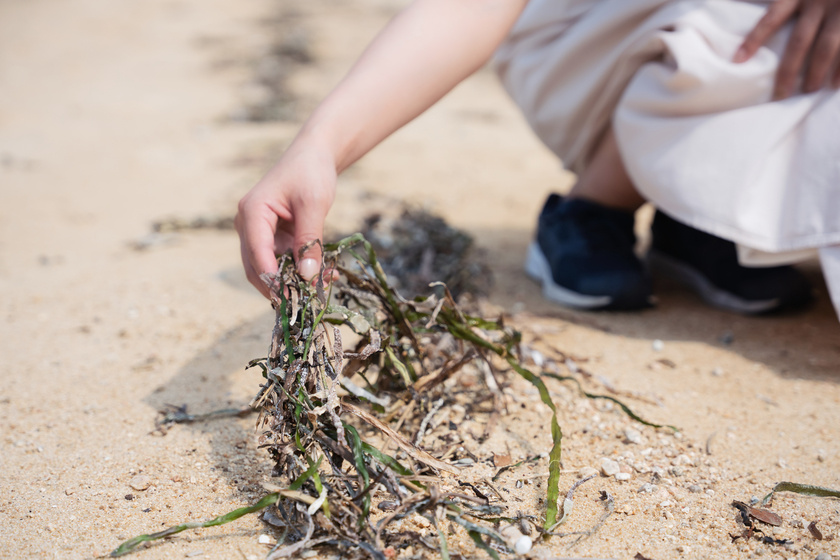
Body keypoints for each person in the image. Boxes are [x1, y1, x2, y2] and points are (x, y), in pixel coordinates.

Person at [235, 0, 840, 318]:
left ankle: (702, 216)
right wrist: (319, 146)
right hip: (597, 27)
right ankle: (595, 205)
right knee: (754, 22)